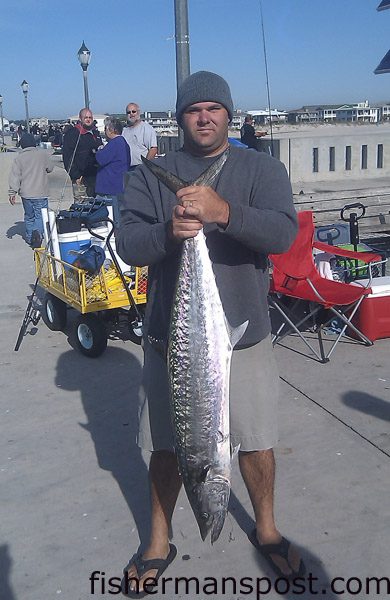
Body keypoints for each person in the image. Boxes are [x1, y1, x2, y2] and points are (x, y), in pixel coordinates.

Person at [116, 71, 304, 595]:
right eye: (194, 109)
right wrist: (166, 233)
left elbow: (283, 232)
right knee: (166, 446)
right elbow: (129, 242)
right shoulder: (150, 173)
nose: (204, 117)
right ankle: (158, 540)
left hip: (243, 339)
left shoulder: (260, 167)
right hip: (171, 341)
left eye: (213, 109)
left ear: (229, 115)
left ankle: (266, 529)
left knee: (256, 440)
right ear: (180, 118)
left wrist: (224, 213)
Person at [8, 133, 54, 248]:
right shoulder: (42, 155)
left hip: (26, 194)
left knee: (29, 216)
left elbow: (15, 176)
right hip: (40, 192)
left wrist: (12, 193)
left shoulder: (19, 158)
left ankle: (29, 237)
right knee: (40, 216)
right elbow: (50, 168)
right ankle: (37, 235)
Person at [95, 116, 131, 226]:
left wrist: (98, 150)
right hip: (117, 185)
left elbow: (100, 159)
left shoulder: (115, 143)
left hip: (110, 188)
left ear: (111, 129)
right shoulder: (123, 142)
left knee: (110, 219)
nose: (105, 131)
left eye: (105, 129)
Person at [62, 108, 102, 200]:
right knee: (82, 206)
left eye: (90, 117)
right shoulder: (73, 134)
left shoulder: (95, 133)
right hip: (81, 179)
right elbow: (67, 157)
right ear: (80, 119)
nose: (88, 119)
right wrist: (75, 175)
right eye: (86, 117)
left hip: (96, 176)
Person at [122, 103, 157, 168]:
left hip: (140, 167)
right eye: (129, 112)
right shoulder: (124, 130)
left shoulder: (146, 128)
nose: (131, 114)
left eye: (134, 111)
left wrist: (145, 167)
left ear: (138, 112)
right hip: (126, 168)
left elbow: (153, 149)